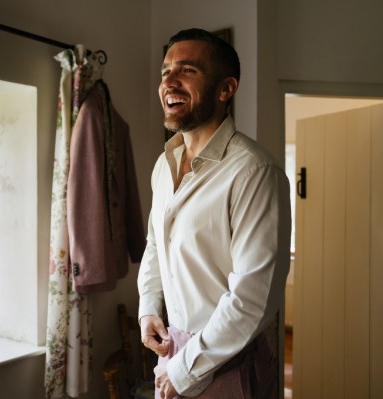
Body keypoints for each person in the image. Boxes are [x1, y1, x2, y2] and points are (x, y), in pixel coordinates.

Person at [137, 28, 291, 398]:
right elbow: (156, 245)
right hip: (172, 354)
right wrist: (147, 309)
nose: (169, 82)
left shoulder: (255, 172)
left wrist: (184, 369)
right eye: (165, 72)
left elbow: (253, 298)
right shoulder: (164, 164)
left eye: (187, 70)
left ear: (226, 89)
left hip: (228, 367)